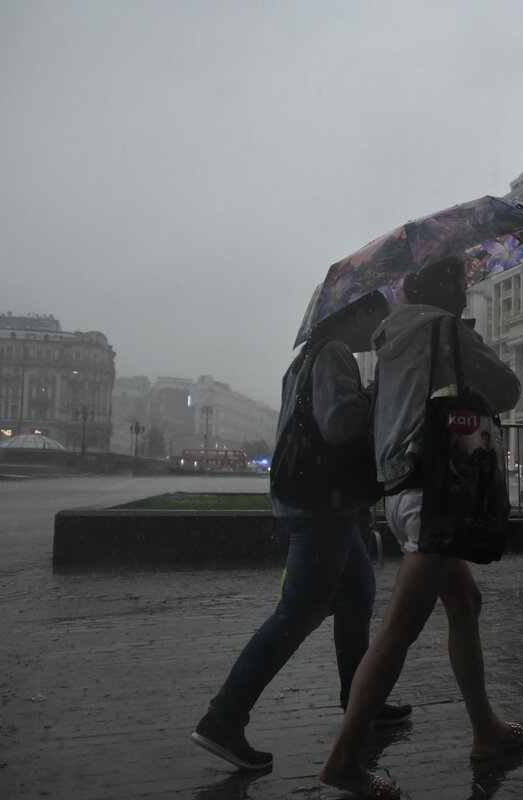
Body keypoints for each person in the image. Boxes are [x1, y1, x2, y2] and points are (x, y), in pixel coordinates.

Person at [318, 256, 523, 799]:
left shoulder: (390, 340)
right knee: (398, 630)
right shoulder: (444, 330)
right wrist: (472, 353)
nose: (466, 289)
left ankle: (487, 731)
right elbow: (507, 390)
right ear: (443, 287)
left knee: (465, 603)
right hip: (435, 490)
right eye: (462, 281)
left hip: (401, 487)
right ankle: (343, 759)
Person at [191, 290, 411, 772]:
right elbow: (338, 425)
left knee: (356, 593)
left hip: (315, 499)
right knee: (298, 613)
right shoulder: (333, 353)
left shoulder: (307, 356)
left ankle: (362, 704)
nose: (380, 329)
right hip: (321, 505)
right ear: (360, 313)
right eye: (379, 317)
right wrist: (378, 393)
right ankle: (223, 717)